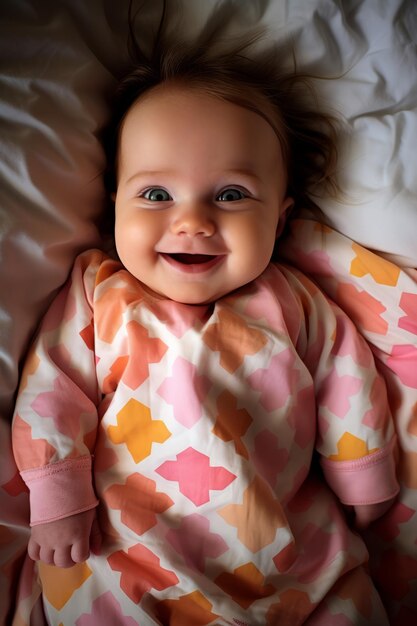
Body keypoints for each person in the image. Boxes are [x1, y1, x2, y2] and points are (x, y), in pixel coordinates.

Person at [12, 11, 398, 626]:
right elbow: (52, 388)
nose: (191, 221)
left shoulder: (295, 300)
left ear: (279, 218)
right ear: (114, 204)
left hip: (289, 558)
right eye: (156, 195)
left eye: (231, 195)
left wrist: (364, 473)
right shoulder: (100, 291)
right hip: (127, 559)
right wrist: (58, 495)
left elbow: (348, 379)